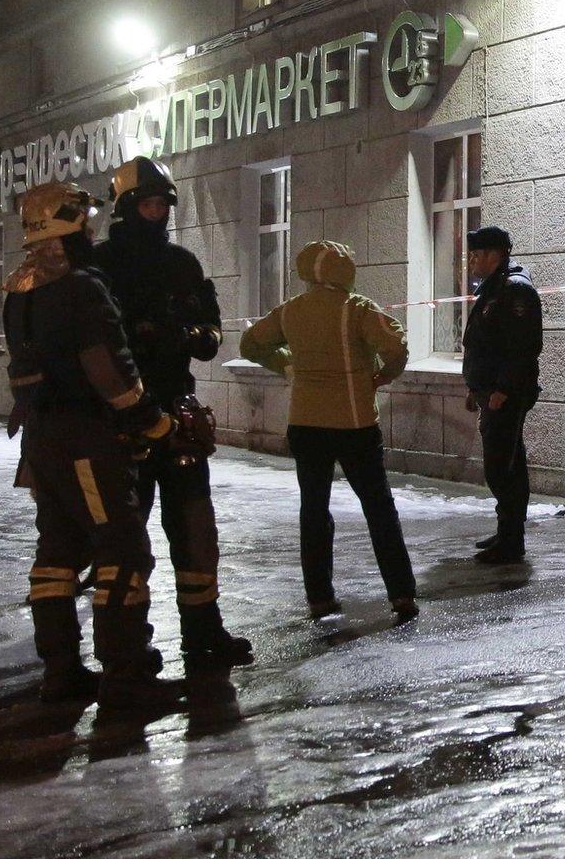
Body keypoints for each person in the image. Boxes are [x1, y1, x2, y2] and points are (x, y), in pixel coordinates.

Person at [3, 182, 187, 712]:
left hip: (41, 438)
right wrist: (152, 423)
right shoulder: (82, 287)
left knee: (57, 553)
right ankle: (126, 674)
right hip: (87, 436)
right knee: (122, 550)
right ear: (71, 227)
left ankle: (60, 671)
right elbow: (109, 368)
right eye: (84, 221)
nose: (90, 229)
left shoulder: (20, 288)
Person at [91, 156, 252, 677]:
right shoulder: (99, 268)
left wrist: (189, 336)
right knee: (126, 538)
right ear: (125, 207)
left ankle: (204, 632)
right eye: (148, 203)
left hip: (178, 415)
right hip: (123, 421)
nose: (157, 212)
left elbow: (211, 328)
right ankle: (126, 648)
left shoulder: (183, 263)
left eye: (163, 204)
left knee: (196, 530)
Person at [238, 240, 415, 620]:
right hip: (354, 424)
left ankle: (320, 597)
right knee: (379, 508)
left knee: (314, 510)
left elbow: (250, 344)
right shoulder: (358, 309)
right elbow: (396, 345)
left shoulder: (289, 312)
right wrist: (383, 375)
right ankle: (401, 594)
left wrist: (287, 364)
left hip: (305, 424)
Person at [461, 225, 542, 565]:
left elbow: (522, 348)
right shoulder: (494, 288)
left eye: (476, 255)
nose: (471, 262)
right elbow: (486, 345)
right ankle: (508, 530)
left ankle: (512, 541)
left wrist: (503, 390)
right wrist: (475, 389)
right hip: (491, 392)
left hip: (505, 395)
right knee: (509, 462)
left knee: (500, 467)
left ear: (495, 255)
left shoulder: (514, 290)